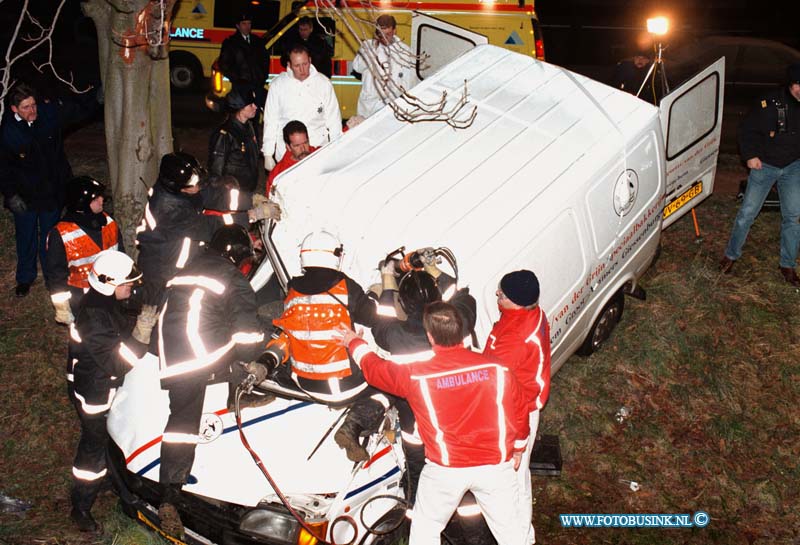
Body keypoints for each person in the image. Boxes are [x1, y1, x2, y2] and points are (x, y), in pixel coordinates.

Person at [337, 302, 530, 545]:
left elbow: (375, 369)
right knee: (514, 535)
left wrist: (354, 342)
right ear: (463, 332)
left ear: (430, 337)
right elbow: (520, 411)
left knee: (425, 532)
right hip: (495, 468)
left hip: (444, 471)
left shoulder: (416, 376)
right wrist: (519, 447)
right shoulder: (498, 369)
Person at [157, 224, 271, 538]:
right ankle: (242, 391)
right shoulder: (234, 279)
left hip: (172, 356)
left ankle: (169, 492)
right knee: (258, 335)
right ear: (238, 257)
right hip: (202, 355)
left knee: (181, 424)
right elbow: (246, 336)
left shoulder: (190, 266)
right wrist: (255, 358)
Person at [266, 230, 385, 460]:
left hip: (304, 384)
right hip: (344, 387)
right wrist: (374, 294)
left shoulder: (292, 288)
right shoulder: (345, 286)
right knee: (388, 386)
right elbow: (371, 317)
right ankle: (353, 426)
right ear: (335, 255)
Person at [368, 250, 477, 501]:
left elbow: (381, 320)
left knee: (417, 476)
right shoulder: (458, 323)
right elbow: (461, 296)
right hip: (454, 420)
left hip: (414, 425)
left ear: (404, 305)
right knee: (461, 481)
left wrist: (387, 280)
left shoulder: (396, 336)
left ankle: (416, 517)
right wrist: (433, 270)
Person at [67, 250, 158, 532]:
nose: (131, 289)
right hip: (93, 392)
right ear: (110, 284)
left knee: (105, 440)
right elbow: (117, 363)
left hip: (99, 383)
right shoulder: (94, 317)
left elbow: (116, 330)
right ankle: (81, 508)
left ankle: (107, 476)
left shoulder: (101, 300)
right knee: (91, 452)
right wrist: (141, 336)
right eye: (127, 285)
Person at [136, 151, 280, 306]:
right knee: (166, 306)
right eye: (194, 184)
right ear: (177, 187)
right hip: (164, 267)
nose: (198, 186)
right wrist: (252, 215)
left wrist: (251, 200)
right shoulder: (166, 208)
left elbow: (216, 195)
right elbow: (209, 227)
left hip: (184, 256)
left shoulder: (186, 188)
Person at [483, 269, 550, 545]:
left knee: (513, 479)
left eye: (503, 294)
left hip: (515, 413)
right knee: (517, 478)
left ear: (519, 302)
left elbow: (500, 385)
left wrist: (518, 444)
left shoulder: (517, 340)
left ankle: (520, 539)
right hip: (519, 405)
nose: (497, 295)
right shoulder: (527, 315)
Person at [720, 63, 800, 286]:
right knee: (747, 213)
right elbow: (747, 130)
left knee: (793, 217)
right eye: (798, 85)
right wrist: (750, 155)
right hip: (765, 165)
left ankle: (787, 264)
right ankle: (731, 255)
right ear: (791, 84)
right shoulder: (770, 104)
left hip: (794, 166)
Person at [0, 83, 73, 297]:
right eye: (26, 107)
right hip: (25, 197)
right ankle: (25, 278)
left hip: (50, 192)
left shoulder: (46, 115)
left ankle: (52, 277)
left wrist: (95, 98)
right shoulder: (8, 132)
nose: (32, 111)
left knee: (49, 239)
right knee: (26, 237)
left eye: (33, 105)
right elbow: (3, 168)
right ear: (14, 110)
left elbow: (73, 109)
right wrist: (11, 195)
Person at [45, 176, 122, 324]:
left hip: (111, 293)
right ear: (82, 203)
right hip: (81, 301)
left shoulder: (109, 223)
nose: (102, 201)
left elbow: (121, 255)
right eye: (96, 199)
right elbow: (56, 274)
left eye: (101, 197)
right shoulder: (61, 234)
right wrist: (62, 307)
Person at [261, 45, 342, 170]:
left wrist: (337, 148)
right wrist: (268, 153)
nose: (302, 70)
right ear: (289, 65)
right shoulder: (278, 85)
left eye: (305, 64)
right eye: (297, 66)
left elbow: (334, 120)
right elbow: (271, 120)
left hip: (317, 148)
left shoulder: (323, 83)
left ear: (310, 60)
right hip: (287, 154)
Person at [351, 14, 419, 118]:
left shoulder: (405, 51)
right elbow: (357, 67)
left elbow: (411, 82)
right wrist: (372, 50)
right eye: (381, 34)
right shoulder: (368, 46)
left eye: (387, 34)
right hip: (369, 106)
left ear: (394, 31)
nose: (384, 38)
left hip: (393, 106)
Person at [208, 88, 261, 194]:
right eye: (250, 105)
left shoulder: (248, 126)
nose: (255, 107)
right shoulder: (225, 134)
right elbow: (216, 170)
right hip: (231, 192)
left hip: (247, 189)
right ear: (240, 108)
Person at [218, 11, 268, 106]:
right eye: (244, 24)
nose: (247, 26)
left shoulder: (257, 41)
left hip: (257, 85)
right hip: (241, 87)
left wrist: (262, 77)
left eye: (249, 23)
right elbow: (224, 65)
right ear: (238, 26)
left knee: (256, 113)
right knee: (243, 113)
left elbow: (265, 60)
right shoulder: (231, 43)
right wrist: (237, 79)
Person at [266, 120, 318, 195]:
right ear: (288, 147)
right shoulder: (278, 175)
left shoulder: (320, 154)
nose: (303, 149)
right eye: (297, 145)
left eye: (305, 143)